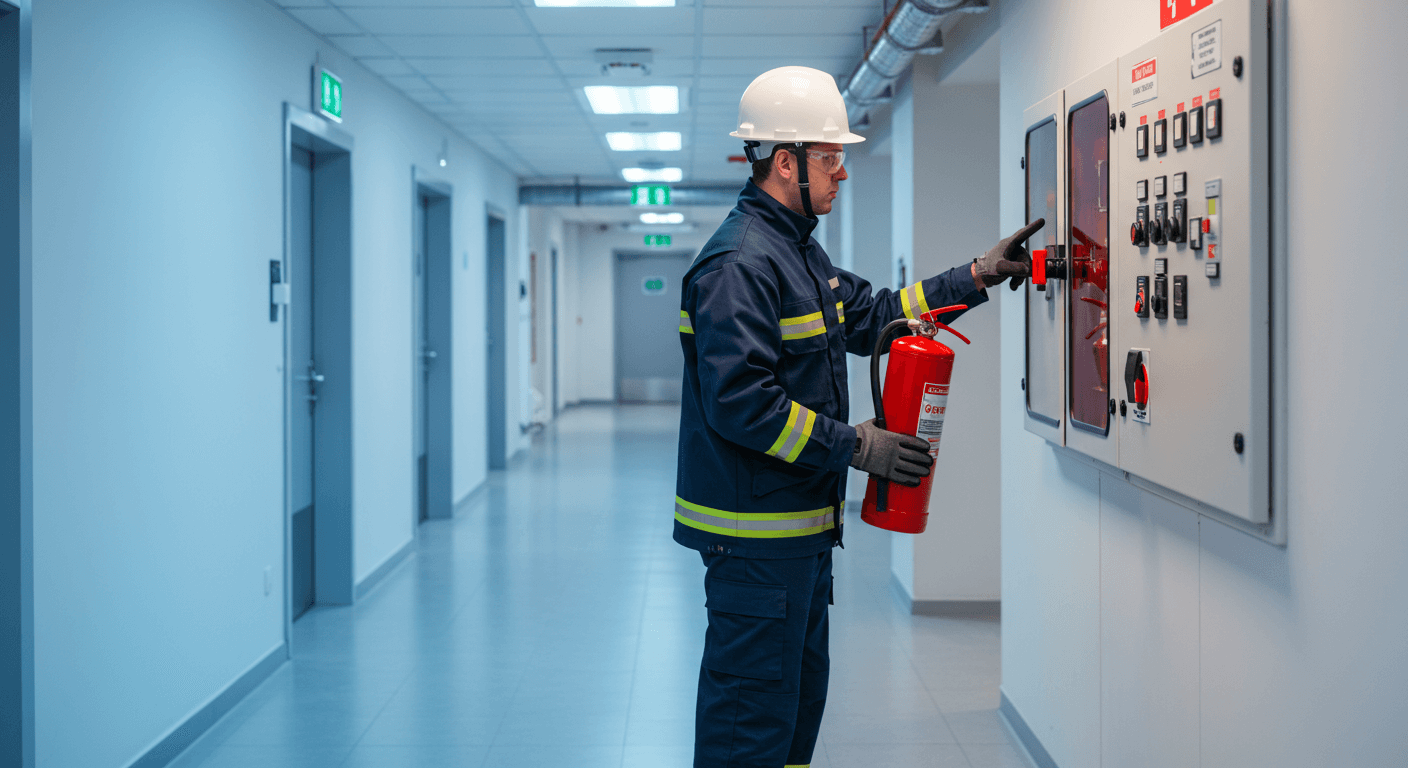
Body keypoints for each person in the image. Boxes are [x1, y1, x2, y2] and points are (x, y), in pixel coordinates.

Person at [674, 65, 1042, 768]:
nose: (842, 173)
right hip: (754, 545)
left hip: (800, 541)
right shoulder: (739, 266)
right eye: (831, 158)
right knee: (748, 729)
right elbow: (743, 406)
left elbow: (876, 316)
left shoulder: (797, 251)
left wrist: (976, 275)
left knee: (794, 720)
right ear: (787, 163)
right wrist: (857, 447)